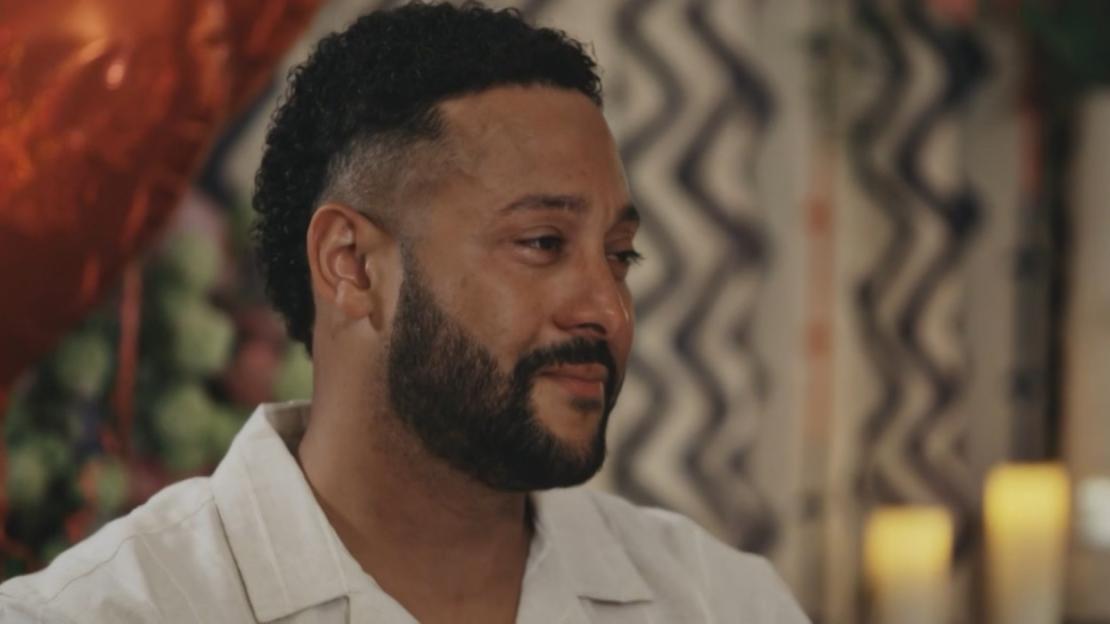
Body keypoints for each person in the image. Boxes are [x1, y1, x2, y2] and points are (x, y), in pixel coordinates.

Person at [0, 2, 810, 622]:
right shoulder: (107, 610)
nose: (607, 306)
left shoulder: (723, 602)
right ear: (351, 266)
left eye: (619, 255)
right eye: (541, 242)